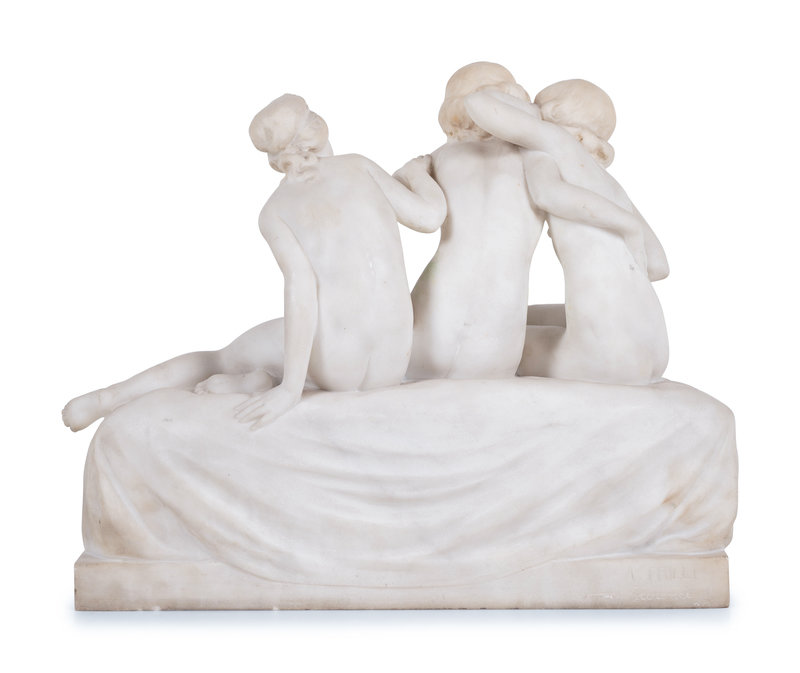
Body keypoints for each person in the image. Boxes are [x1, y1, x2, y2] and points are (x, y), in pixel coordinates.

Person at [62, 94, 446, 431]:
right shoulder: (359, 166)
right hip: (393, 360)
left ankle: (109, 398)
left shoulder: (275, 211)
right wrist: (417, 174)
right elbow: (430, 218)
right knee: (311, 330)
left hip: (339, 365)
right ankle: (257, 380)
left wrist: (290, 389)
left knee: (222, 357)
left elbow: (301, 293)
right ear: (315, 128)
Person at [464, 79, 669, 384]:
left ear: (552, 111)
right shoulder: (610, 186)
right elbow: (659, 265)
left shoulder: (551, 144)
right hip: (654, 350)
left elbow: (478, 103)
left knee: (489, 340)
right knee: (524, 317)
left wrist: (530, 112)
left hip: (608, 360)